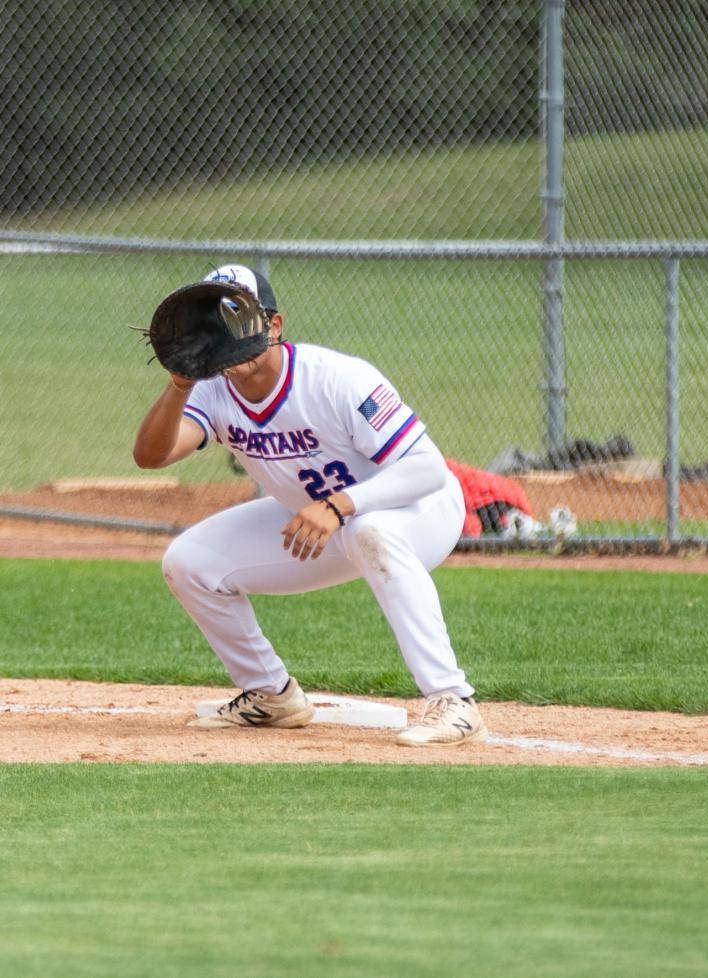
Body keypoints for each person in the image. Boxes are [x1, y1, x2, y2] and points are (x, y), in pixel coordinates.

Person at [132, 264, 485, 747]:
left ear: (274, 326)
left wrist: (341, 505)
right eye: (214, 324)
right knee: (189, 562)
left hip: (419, 511)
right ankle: (271, 694)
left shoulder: (336, 378)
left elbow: (427, 468)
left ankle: (453, 700)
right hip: (319, 521)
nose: (225, 337)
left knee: (371, 531)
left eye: (238, 319)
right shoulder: (213, 391)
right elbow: (151, 456)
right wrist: (178, 384)